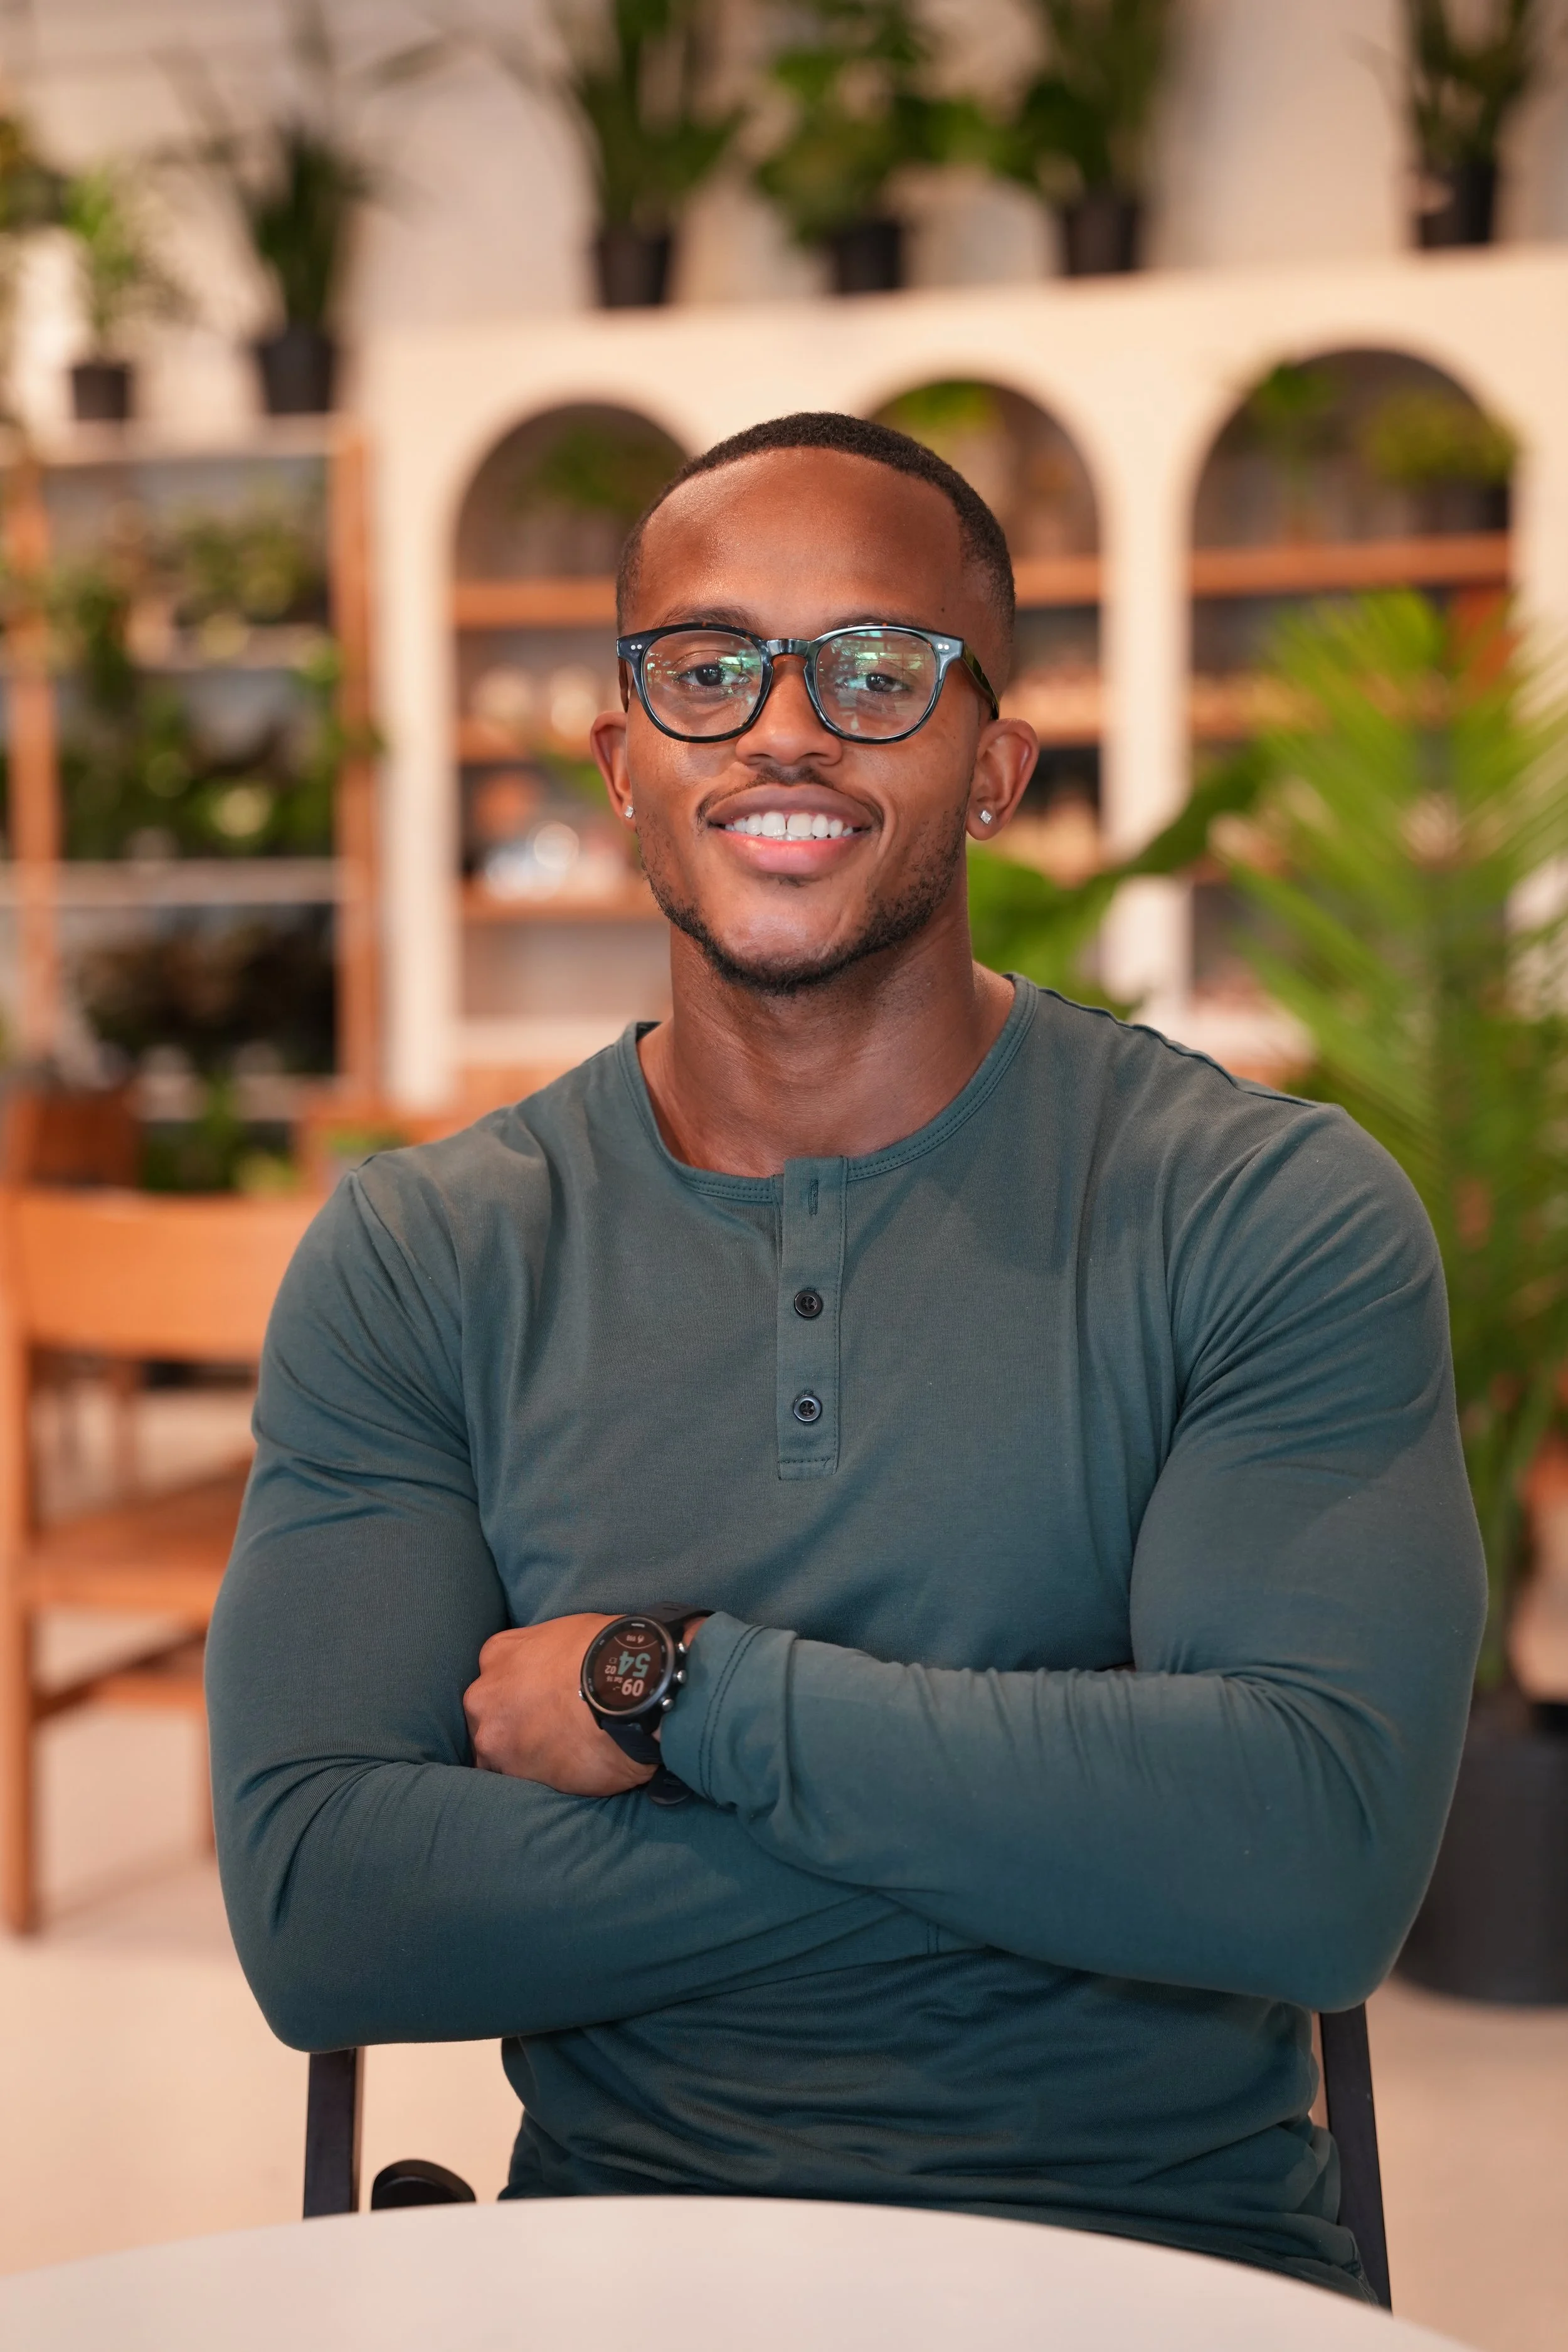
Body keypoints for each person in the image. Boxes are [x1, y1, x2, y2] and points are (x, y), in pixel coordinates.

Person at [208, 411, 1484, 2300]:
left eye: (878, 671)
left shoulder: (1259, 1207)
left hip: (1160, 2262)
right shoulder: (429, 1251)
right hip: (609, 2261)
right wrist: (1061, 1843)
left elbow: (1307, 1864)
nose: (783, 729)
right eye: (706, 669)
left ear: (995, 765)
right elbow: (332, 1911)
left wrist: (677, 1696)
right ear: (622, 758)